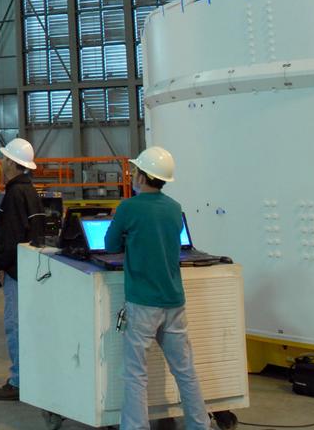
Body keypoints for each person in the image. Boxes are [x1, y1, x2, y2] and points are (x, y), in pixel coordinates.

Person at [105, 147, 213, 430]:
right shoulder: (175, 208)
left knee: (135, 373)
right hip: (174, 300)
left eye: (135, 172)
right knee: (185, 370)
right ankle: (199, 424)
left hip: (143, 302)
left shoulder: (129, 207)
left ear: (141, 176)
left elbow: (110, 245)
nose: (132, 176)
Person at [0, 137, 47, 402]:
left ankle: (19, 381)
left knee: (15, 325)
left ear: (12, 163)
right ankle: (31, 377)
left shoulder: (14, 194)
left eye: (4, 158)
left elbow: (9, 235)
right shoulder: (30, 191)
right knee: (28, 325)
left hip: (16, 271)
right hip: (30, 268)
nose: (1, 163)